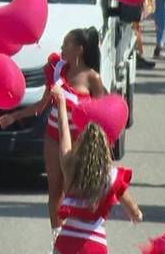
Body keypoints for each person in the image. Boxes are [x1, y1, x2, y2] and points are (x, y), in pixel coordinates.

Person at [0, 28, 104, 231]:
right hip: (54, 137)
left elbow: (101, 114)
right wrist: (13, 116)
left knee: (78, 190)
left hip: (80, 141)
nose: (62, 48)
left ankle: (78, 234)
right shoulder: (57, 70)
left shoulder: (92, 78)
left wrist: (101, 146)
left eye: (66, 44)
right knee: (55, 188)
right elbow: (41, 105)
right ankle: (57, 237)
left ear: (79, 50)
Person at [50, 88, 142, 254]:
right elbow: (133, 209)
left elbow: (63, 132)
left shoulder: (69, 164)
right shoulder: (112, 176)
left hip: (66, 242)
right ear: (105, 147)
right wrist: (136, 215)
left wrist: (62, 102)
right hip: (95, 245)